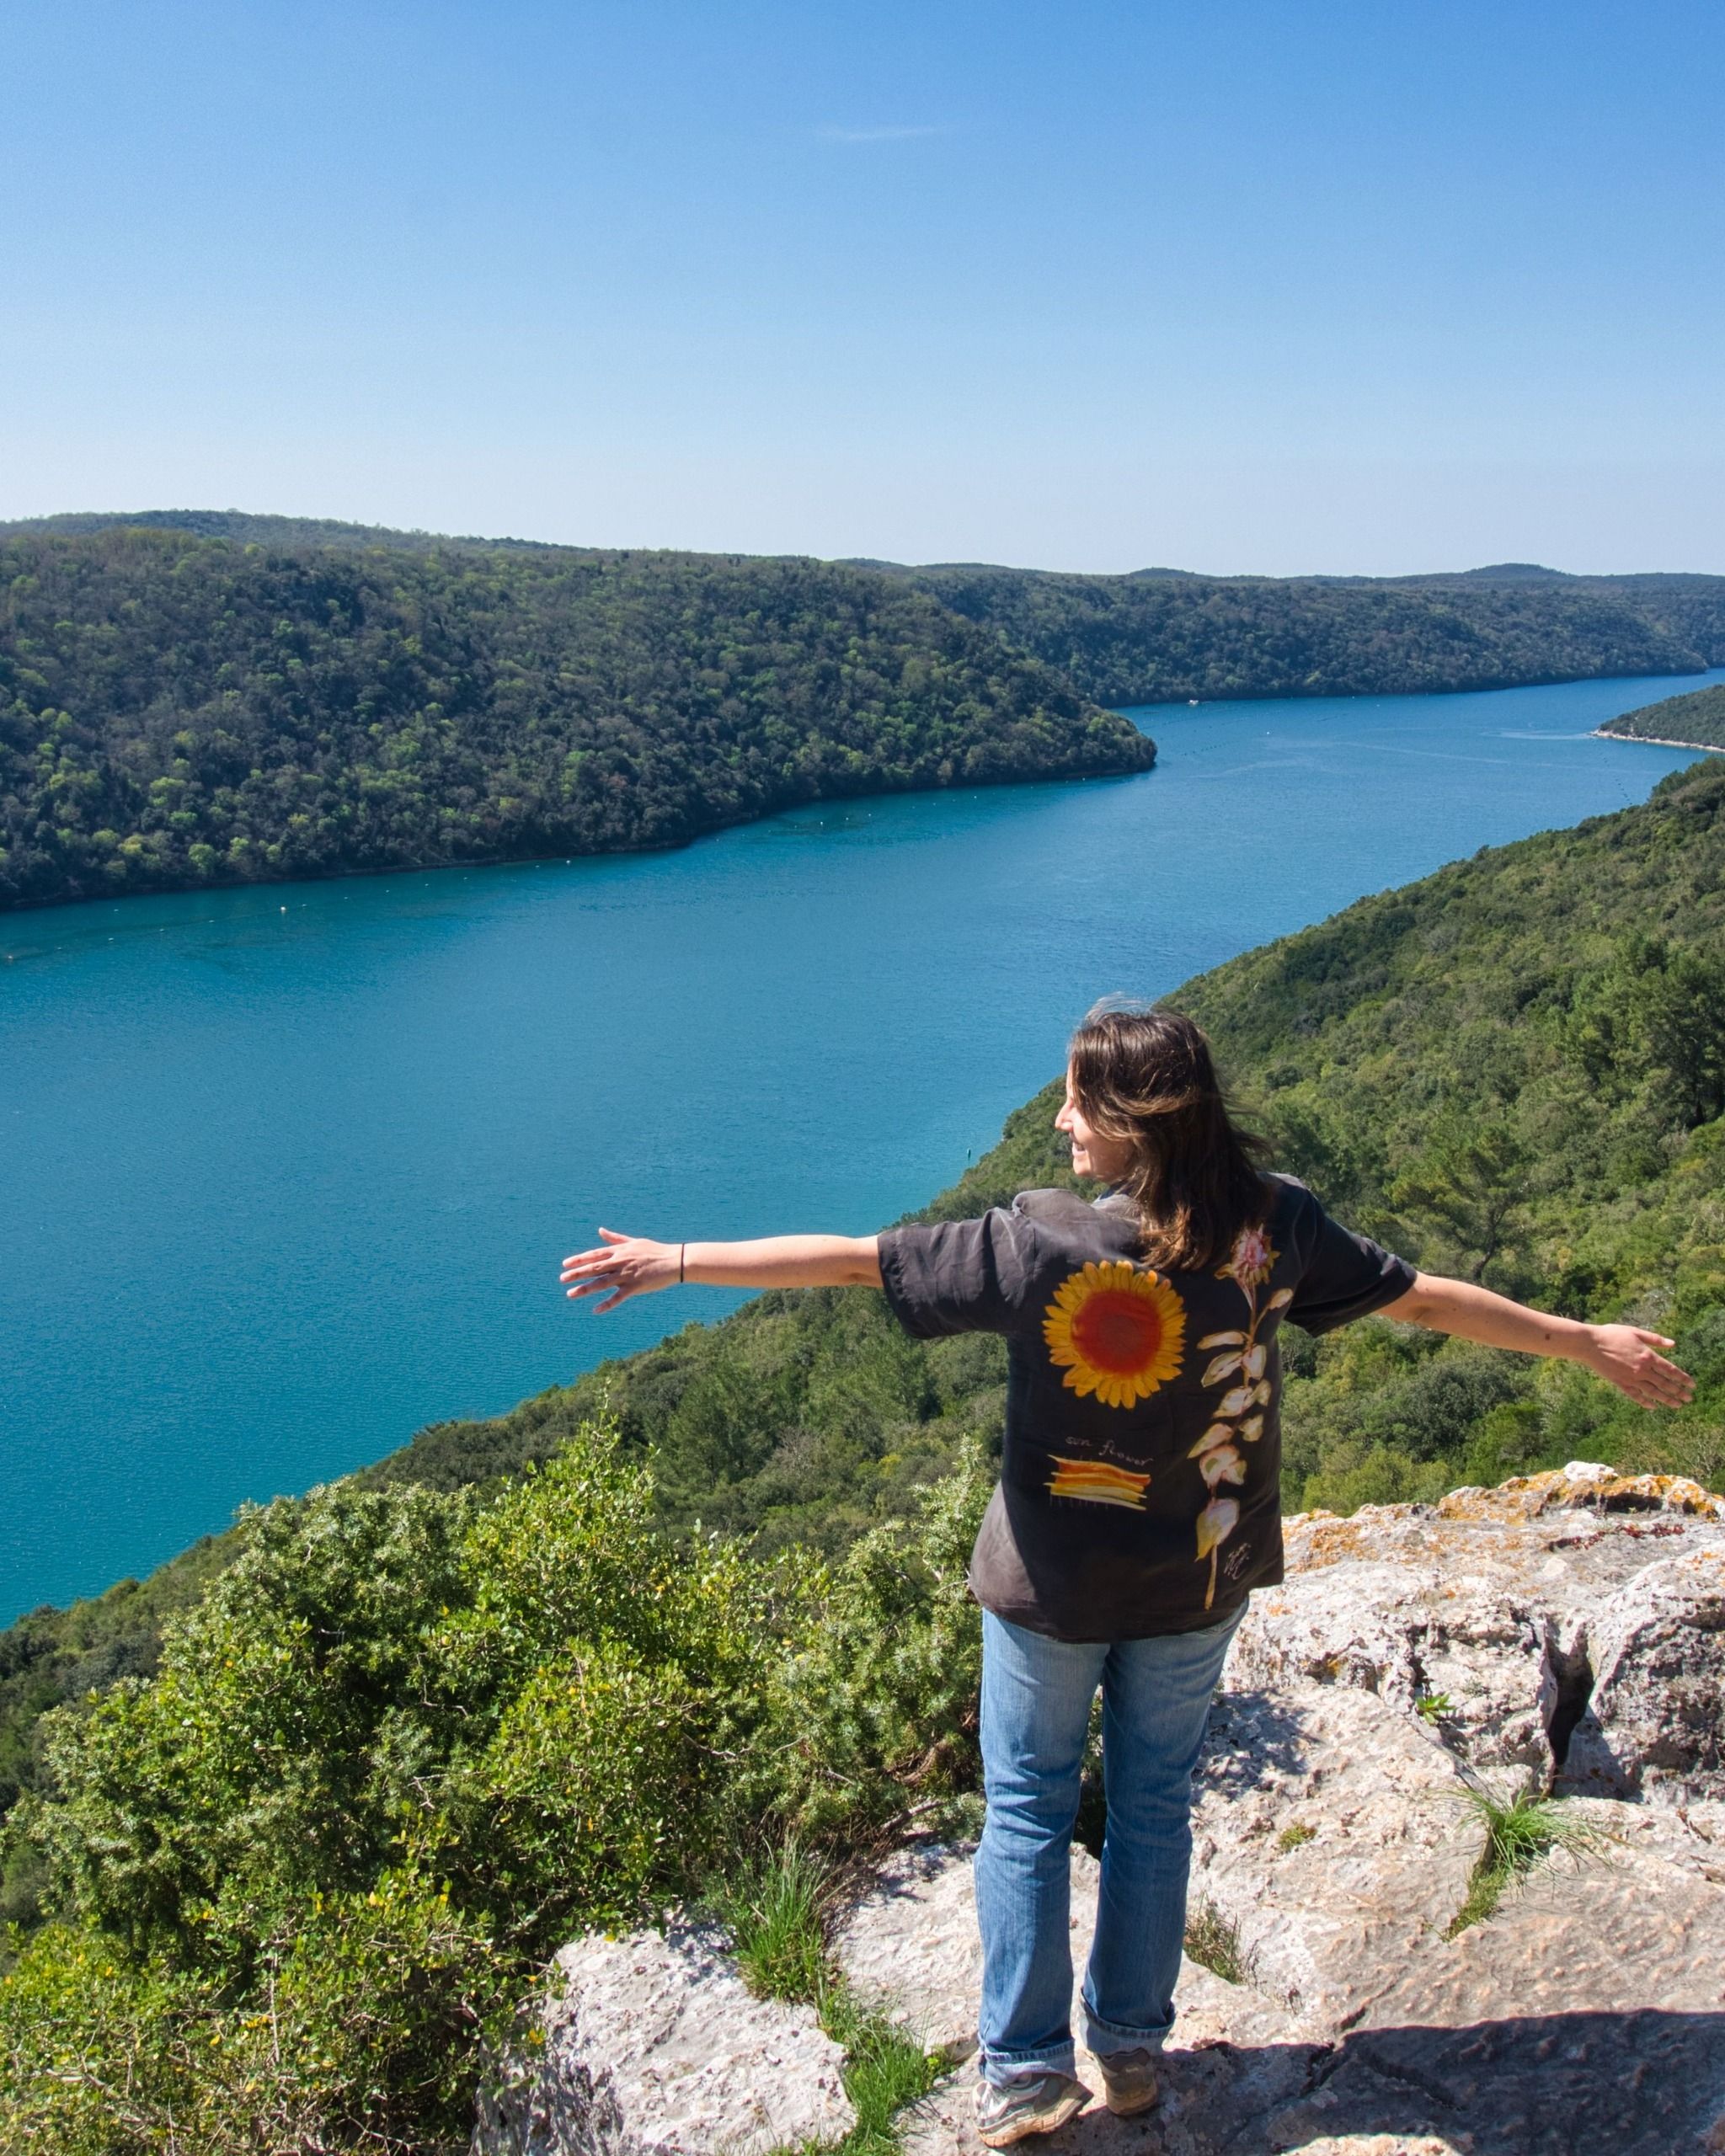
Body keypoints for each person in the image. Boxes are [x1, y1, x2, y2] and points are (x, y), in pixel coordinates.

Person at [558, 1004, 1691, 2148]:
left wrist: (679, 1263)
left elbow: (860, 1263)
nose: (1058, 1122)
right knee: (1153, 1805)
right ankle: (1133, 2052)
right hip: (1197, 1581)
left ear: (1132, 1125)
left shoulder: (1045, 1243)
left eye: (1075, 1103)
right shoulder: (1275, 1226)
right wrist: (1576, 1338)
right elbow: (1424, 1298)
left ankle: (1027, 2070)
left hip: (1052, 1591)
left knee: (1028, 1809)